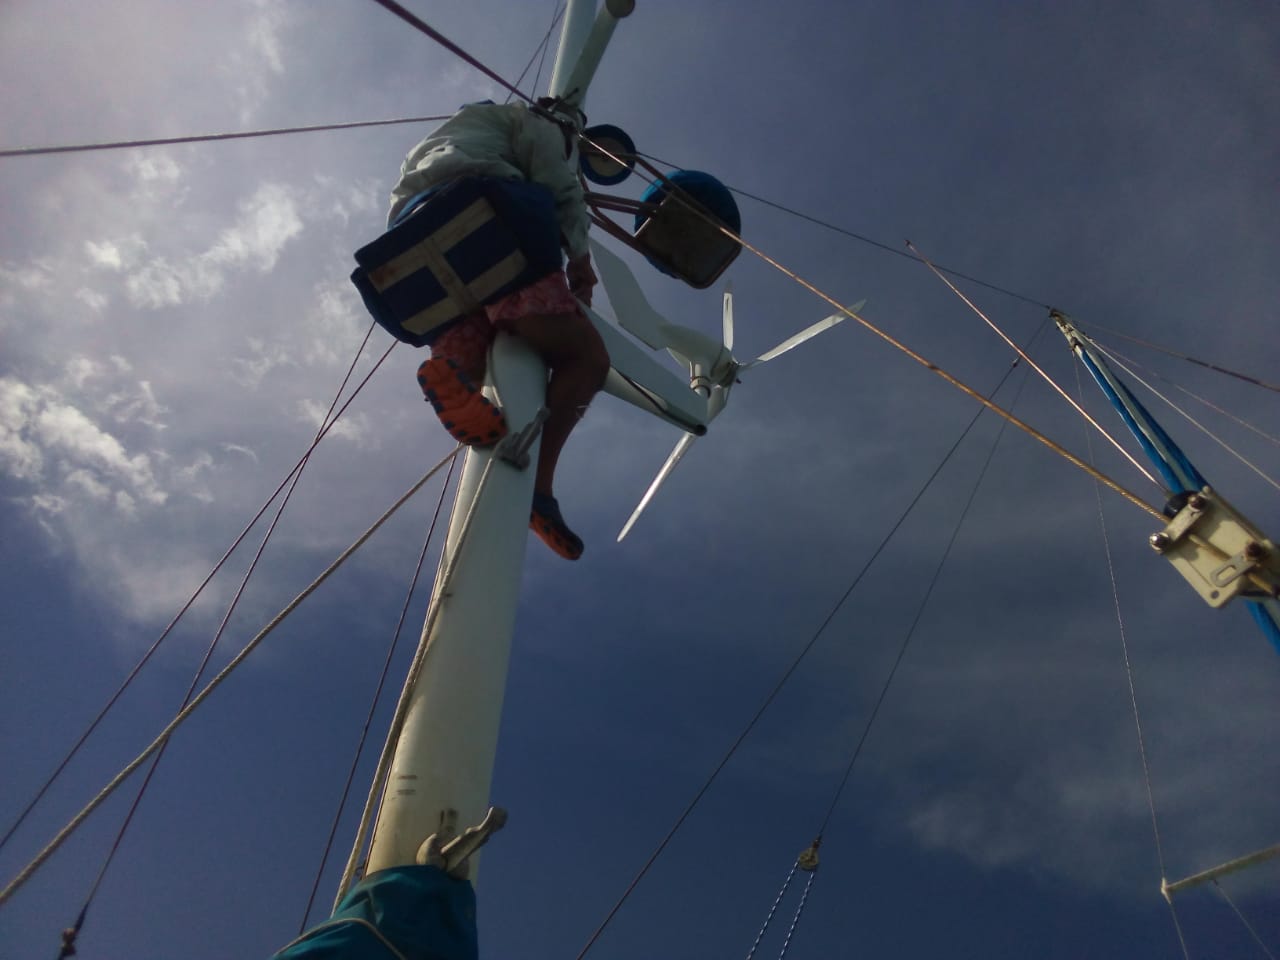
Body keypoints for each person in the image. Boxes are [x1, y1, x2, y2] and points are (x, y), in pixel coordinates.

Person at [389, 99, 610, 561]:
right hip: (490, 224)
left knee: (469, 317)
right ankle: (538, 488)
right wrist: (581, 260)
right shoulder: (527, 120)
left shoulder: (432, 143)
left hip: (416, 240)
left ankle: (454, 372)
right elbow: (554, 175)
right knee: (586, 357)